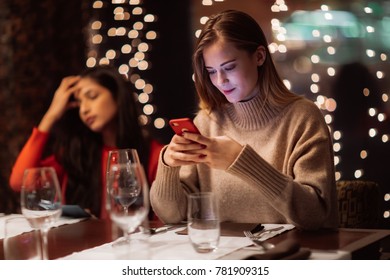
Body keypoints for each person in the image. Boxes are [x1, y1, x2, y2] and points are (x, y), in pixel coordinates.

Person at [150, 10, 338, 230]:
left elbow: (315, 214)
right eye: (211, 71)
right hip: (224, 257)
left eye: (229, 67)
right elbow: (171, 216)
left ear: (259, 56)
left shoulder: (302, 118)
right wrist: (168, 166)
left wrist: (241, 161)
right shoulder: (207, 122)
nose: (220, 81)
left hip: (290, 256)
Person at [9, 65, 163, 219]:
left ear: (117, 96)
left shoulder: (154, 154)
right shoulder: (76, 154)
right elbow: (19, 182)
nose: (84, 109)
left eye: (92, 96)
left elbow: (164, 222)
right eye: (79, 103)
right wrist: (51, 115)